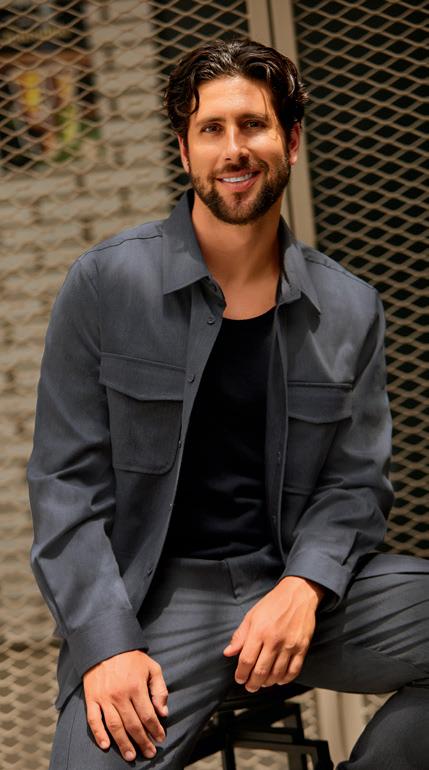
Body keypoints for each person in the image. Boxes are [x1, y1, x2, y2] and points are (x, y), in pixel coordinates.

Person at [28, 38, 429, 770]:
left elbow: (354, 483)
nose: (233, 148)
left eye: (253, 125)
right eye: (211, 128)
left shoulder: (349, 307)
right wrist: (106, 644)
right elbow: (64, 487)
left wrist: (304, 585)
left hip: (301, 589)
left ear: (291, 141)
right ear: (185, 151)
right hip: (158, 604)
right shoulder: (105, 285)